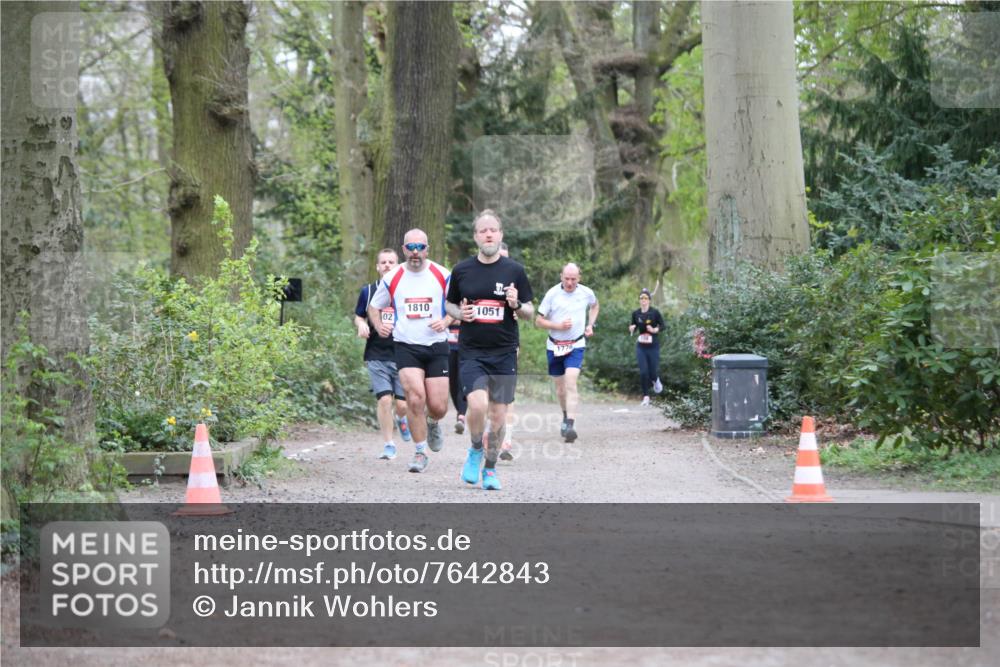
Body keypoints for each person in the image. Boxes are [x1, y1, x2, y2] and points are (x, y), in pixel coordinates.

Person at [446, 210, 533, 490]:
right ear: (475, 237)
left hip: (504, 352)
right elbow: (449, 304)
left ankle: (491, 469)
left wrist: (516, 304)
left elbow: (530, 311)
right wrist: (460, 313)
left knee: (498, 415)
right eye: (483, 230)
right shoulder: (462, 270)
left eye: (492, 230)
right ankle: (475, 448)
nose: (488, 234)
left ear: (500, 234)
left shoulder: (514, 271)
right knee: (477, 404)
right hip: (472, 351)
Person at [368, 229, 452, 473]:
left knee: (439, 407)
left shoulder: (443, 274)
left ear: (427, 249)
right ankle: (419, 452)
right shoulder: (393, 277)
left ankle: (433, 422)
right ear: (404, 249)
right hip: (406, 345)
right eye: (411, 247)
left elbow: (458, 306)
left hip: (436, 344)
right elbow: (374, 306)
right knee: (415, 398)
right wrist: (379, 326)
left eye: (420, 247)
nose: (416, 252)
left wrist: (446, 321)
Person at [354, 249, 412, 459]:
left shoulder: (407, 291)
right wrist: (361, 325)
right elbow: (359, 316)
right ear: (377, 267)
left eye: (391, 262)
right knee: (385, 400)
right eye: (383, 262)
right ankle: (389, 444)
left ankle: (402, 419)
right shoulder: (368, 291)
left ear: (398, 266)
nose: (387, 265)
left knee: (403, 405)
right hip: (376, 354)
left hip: (403, 354)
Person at [535, 263, 598, 443]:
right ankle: (565, 416)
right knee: (561, 389)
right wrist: (558, 326)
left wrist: (590, 325)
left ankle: (570, 425)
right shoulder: (552, 294)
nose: (570, 283)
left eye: (573, 279)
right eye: (567, 279)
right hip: (554, 346)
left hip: (576, 344)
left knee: (571, 381)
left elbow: (595, 306)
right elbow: (538, 321)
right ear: (561, 276)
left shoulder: (586, 292)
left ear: (579, 278)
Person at [629, 288, 666, 406]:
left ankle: (656, 380)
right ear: (639, 300)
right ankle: (646, 397)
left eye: (645, 298)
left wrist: (654, 330)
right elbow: (633, 326)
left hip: (653, 346)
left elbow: (663, 326)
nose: (643, 300)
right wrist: (632, 328)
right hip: (641, 346)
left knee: (652, 371)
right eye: (641, 298)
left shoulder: (655, 312)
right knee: (643, 372)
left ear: (649, 300)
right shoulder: (636, 313)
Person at [447, 319, 467, 434]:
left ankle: (461, 416)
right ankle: (460, 410)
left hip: (466, 347)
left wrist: (455, 319)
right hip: (449, 346)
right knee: (453, 383)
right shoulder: (448, 306)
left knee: (462, 381)